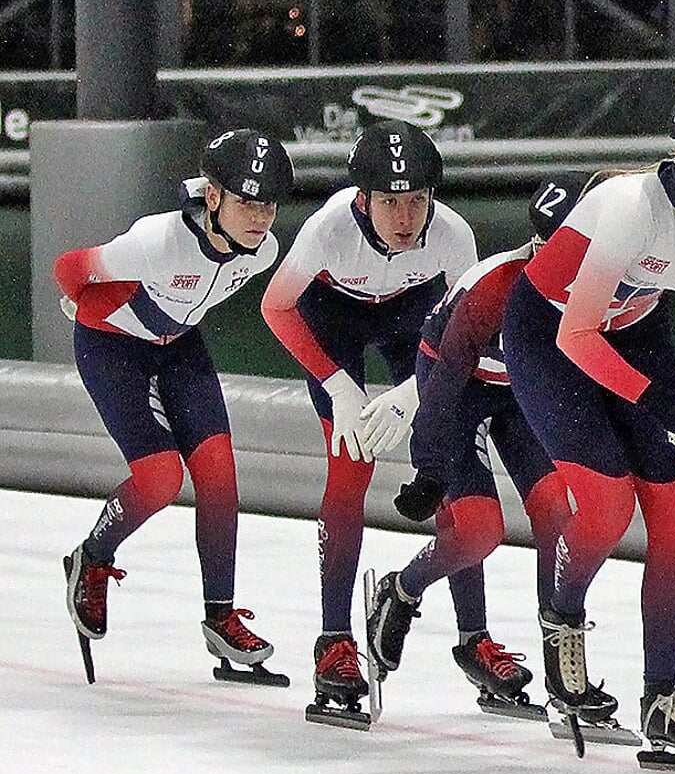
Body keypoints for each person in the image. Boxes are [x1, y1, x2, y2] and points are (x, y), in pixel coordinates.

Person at [501, 78, 675, 771]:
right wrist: (666, 406)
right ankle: (561, 618)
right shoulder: (631, 211)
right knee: (605, 505)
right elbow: (576, 333)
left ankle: (660, 694)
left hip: (635, 330)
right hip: (552, 337)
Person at [259, 120, 478, 725]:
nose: (406, 217)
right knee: (349, 465)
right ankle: (334, 641)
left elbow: (469, 329)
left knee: (451, 457)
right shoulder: (329, 228)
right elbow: (275, 306)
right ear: (362, 199)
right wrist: (338, 387)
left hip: (416, 318)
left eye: (417, 201)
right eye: (390, 202)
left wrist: (414, 391)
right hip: (332, 318)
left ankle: (474, 635)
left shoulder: (453, 234)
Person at [55, 129, 294, 684]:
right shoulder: (157, 240)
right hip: (111, 342)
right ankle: (91, 557)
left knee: (219, 475)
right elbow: (71, 266)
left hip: (179, 344)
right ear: (212, 198)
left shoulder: (264, 253)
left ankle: (221, 616)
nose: (260, 218)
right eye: (246, 202)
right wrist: (75, 302)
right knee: (161, 477)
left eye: (269, 205)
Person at [361, 173, 591, 715]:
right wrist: (430, 470)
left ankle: (561, 661)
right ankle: (403, 589)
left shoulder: (609, 280)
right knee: (479, 528)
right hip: (457, 384)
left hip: (521, 392)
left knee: (558, 511)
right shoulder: (492, 289)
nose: (567, 276)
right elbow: (440, 389)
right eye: (553, 256)